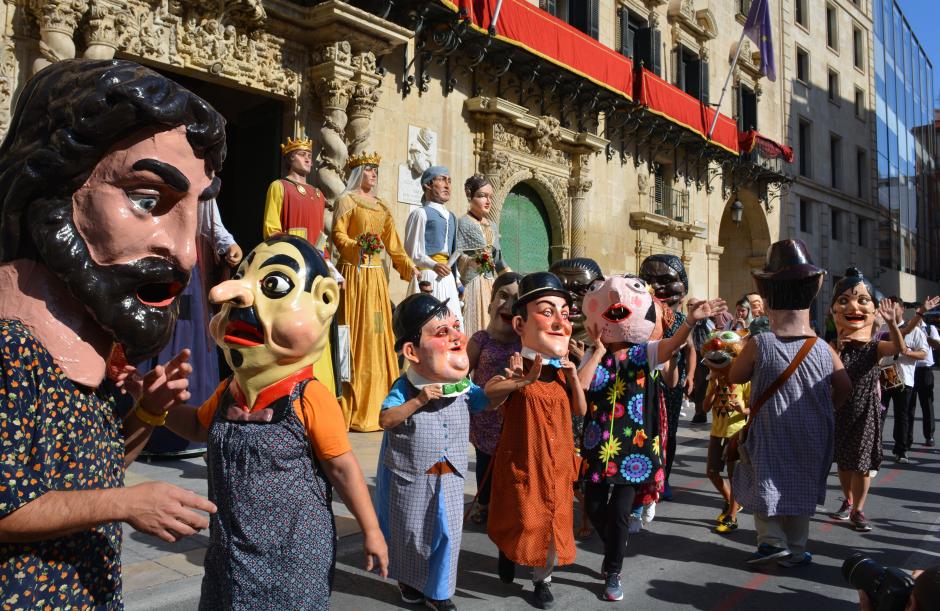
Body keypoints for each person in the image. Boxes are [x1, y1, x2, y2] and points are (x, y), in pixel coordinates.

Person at [0, 59, 224, 609]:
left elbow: (86, 476)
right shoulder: (9, 348)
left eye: (194, 214)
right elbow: (6, 507)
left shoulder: (92, 353)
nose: (187, 252)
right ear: (52, 183)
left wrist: (145, 414)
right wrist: (126, 504)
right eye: (146, 201)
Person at [162, 235, 387, 609]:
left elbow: (343, 470)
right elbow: (199, 429)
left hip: (293, 557)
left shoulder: (309, 396)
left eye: (273, 285)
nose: (231, 296)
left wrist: (372, 530)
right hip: (231, 553)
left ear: (325, 300)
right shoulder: (229, 391)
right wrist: (154, 405)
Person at [577, 274, 726, 601]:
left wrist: (690, 321)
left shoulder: (644, 353)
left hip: (635, 450)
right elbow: (582, 387)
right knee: (594, 506)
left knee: (618, 513)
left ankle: (613, 569)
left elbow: (673, 346)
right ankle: (613, 551)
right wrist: (598, 350)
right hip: (597, 446)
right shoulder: (593, 355)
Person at [730, 239, 852, 567]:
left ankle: (771, 542)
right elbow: (844, 386)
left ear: (768, 294)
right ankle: (797, 548)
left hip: (770, 428)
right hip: (813, 429)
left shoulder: (761, 343)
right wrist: (827, 409)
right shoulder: (823, 348)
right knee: (800, 485)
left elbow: (736, 375)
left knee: (764, 480)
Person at [374, 293, 490, 611]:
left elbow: (485, 401)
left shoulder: (464, 386)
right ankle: (409, 581)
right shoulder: (406, 386)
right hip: (411, 472)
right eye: (442, 332)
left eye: (456, 327)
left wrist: (516, 383)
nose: (457, 337)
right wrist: (419, 400)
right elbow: (386, 418)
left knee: (447, 531)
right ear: (411, 351)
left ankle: (438, 592)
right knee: (409, 530)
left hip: (448, 471)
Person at [483, 272, 587, 609]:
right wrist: (520, 382)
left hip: (557, 466)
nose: (560, 321)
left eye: (565, 313)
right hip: (523, 461)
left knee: (552, 523)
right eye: (547, 311)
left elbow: (580, 410)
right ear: (519, 324)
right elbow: (490, 394)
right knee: (522, 518)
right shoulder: (514, 367)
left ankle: (542, 580)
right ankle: (507, 550)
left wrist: (573, 376)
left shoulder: (561, 371)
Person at [330, 152, 418, 432]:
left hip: (377, 281)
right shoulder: (346, 200)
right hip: (354, 278)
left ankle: (381, 400)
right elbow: (338, 235)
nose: (374, 175)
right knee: (354, 333)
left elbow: (394, 245)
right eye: (369, 170)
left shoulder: (382, 207)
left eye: (376, 171)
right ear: (358, 173)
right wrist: (359, 246)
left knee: (379, 332)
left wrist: (409, 267)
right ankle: (352, 405)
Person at [827, 268, 904, 533]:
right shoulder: (831, 346)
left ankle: (858, 510)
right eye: (844, 300)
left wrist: (893, 323)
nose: (853, 306)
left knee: (861, 463)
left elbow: (898, 349)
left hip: (865, 411)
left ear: (873, 309)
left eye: (862, 299)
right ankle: (847, 501)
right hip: (839, 408)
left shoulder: (874, 347)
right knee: (844, 461)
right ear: (834, 310)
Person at [263, 136, 341, 394]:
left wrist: (332, 269)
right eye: (301, 154)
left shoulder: (319, 195)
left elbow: (322, 238)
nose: (308, 158)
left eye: (309, 154)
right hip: (293, 267)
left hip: (316, 268)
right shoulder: (279, 186)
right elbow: (271, 229)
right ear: (289, 159)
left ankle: (321, 385)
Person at [466, 272, 522, 525]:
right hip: (485, 415)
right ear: (490, 304)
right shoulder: (481, 339)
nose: (509, 305)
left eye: (517, 299)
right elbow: (461, 373)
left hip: (514, 416)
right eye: (503, 296)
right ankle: (484, 502)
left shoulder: (526, 342)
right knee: (484, 461)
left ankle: (508, 502)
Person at [639, 254, 697, 500]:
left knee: (669, 432)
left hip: (671, 382)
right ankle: (642, 479)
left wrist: (691, 375)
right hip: (643, 381)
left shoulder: (683, 321)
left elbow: (692, 349)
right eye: (648, 280)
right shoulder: (638, 316)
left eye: (665, 280)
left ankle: (666, 476)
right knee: (644, 431)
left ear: (682, 285)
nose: (656, 286)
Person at [700, 329, 751, 534]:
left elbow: (754, 406)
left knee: (733, 474)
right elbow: (704, 408)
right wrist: (713, 387)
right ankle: (731, 501)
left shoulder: (744, 380)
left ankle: (732, 516)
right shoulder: (714, 379)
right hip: (716, 432)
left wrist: (743, 409)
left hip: (735, 432)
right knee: (712, 472)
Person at [405, 165, 463, 325]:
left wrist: (457, 281)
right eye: (442, 180)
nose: (447, 185)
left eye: (449, 181)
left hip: (448, 278)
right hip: (429, 276)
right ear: (428, 185)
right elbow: (412, 252)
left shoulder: (452, 217)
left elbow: (453, 252)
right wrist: (434, 264)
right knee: (431, 322)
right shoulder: (420, 213)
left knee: (452, 322)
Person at [455, 174, 509, 337]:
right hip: (471, 286)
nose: (488, 201)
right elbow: (455, 257)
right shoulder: (462, 223)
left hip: (491, 285)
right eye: (482, 196)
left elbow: (499, 261)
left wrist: (514, 281)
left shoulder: (492, 225)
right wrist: (472, 262)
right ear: (469, 195)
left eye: (490, 197)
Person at [880, 297, 929, 463]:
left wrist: (908, 352)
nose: (892, 312)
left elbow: (923, 353)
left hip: (904, 377)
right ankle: (875, 450)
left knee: (902, 415)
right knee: (879, 413)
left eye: (895, 308)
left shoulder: (915, 331)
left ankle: (901, 450)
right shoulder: (883, 328)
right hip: (885, 374)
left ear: (901, 309)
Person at [904, 297, 940, 448]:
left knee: (927, 404)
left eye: (917, 312)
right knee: (909, 406)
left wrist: (926, 337)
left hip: (925, 370)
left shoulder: (929, 328)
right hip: (910, 370)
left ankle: (929, 435)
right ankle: (908, 438)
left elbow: (937, 345)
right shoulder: (907, 329)